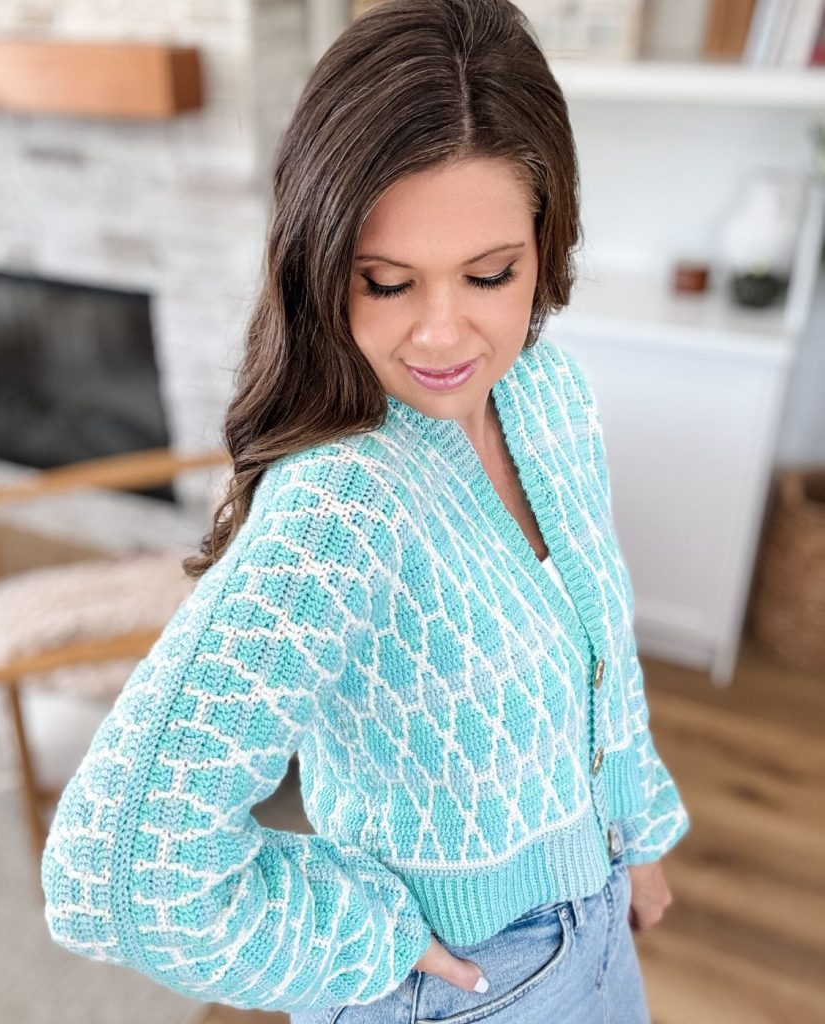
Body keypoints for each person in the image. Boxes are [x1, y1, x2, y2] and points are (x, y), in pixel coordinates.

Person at [40, 1, 690, 1021]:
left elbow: (598, 659)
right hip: (461, 991)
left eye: (490, 274)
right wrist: (361, 932)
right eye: (386, 283)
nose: (443, 334)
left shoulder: (546, 396)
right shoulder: (344, 502)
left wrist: (634, 836)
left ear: (546, 240)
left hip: (599, 925)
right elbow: (117, 868)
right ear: (322, 265)